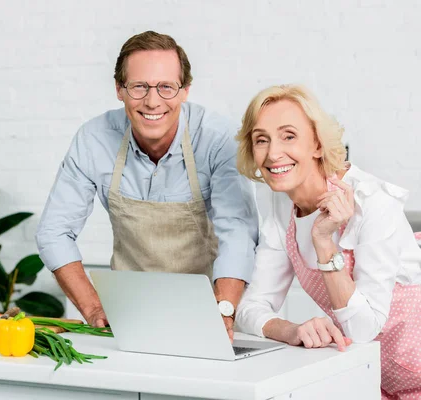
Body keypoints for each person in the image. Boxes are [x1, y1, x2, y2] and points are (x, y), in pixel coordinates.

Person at [36, 31, 258, 339]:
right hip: (129, 319)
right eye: (139, 87)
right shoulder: (94, 139)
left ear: (185, 91)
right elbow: (54, 231)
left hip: (210, 311)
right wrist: (93, 308)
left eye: (166, 87)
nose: (152, 102)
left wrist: (223, 311)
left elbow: (238, 233)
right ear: (119, 89)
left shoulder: (218, 139)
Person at [234, 84, 421, 399]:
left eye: (288, 136)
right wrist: (291, 330)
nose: (273, 153)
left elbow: (363, 329)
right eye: (261, 139)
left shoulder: (371, 203)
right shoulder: (282, 206)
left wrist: (324, 241)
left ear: (317, 145)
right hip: (376, 379)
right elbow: (250, 308)